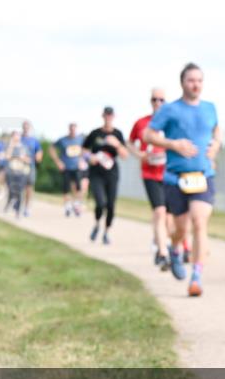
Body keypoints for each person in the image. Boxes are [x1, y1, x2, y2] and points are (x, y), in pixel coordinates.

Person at [144, 63, 220, 297]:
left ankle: (196, 275)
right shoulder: (170, 110)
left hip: (203, 176)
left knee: (199, 221)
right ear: (182, 83)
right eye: (191, 80)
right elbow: (148, 134)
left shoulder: (210, 108)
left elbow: (216, 132)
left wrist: (215, 145)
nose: (195, 84)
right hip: (176, 178)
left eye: (199, 80)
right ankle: (175, 248)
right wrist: (172, 144)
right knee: (180, 228)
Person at [129, 88, 172, 270]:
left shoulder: (171, 123)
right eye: (155, 100)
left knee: (170, 218)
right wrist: (140, 155)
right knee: (159, 211)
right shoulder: (142, 123)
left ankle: (159, 240)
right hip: (149, 173)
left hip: (169, 173)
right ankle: (162, 253)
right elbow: (130, 142)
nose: (158, 103)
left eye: (161, 100)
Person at [83, 107, 128, 244]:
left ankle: (106, 232)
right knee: (100, 202)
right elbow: (84, 150)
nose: (108, 117)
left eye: (110, 115)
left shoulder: (118, 134)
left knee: (111, 205)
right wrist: (89, 157)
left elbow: (125, 155)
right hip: (96, 172)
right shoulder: (95, 133)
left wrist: (117, 144)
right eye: (106, 115)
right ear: (103, 116)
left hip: (112, 173)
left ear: (113, 116)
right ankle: (97, 224)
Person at [49, 122, 86, 217]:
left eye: (74, 129)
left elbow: (85, 149)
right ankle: (67, 206)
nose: (73, 131)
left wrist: (82, 160)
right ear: (69, 130)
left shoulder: (80, 139)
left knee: (78, 187)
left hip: (77, 167)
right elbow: (51, 148)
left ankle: (76, 205)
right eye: (71, 129)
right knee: (66, 188)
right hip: (66, 167)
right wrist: (58, 161)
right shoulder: (63, 140)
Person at [4, 131, 31, 218]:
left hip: (21, 172)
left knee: (20, 192)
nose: (16, 138)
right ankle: (10, 202)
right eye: (14, 136)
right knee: (11, 190)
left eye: (17, 136)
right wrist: (11, 145)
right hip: (10, 172)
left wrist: (22, 158)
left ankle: (18, 212)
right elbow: (7, 157)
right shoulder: (9, 146)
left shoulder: (24, 147)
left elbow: (29, 160)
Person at [20, 120, 43, 217]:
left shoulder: (34, 140)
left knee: (29, 187)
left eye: (27, 126)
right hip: (19, 167)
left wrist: (38, 157)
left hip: (30, 166)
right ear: (22, 127)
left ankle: (26, 208)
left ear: (29, 128)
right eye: (24, 126)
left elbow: (39, 151)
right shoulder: (18, 139)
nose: (26, 128)